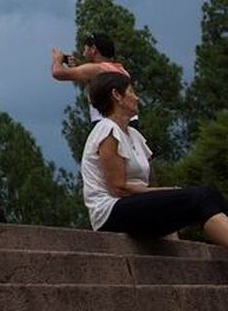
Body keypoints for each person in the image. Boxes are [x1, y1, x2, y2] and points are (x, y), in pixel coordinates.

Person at [81, 71, 228, 247]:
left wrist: (167, 195)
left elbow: (148, 186)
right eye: (132, 92)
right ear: (117, 95)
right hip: (111, 212)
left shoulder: (135, 136)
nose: (137, 98)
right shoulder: (107, 130)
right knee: (201, 196)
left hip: (136, 206)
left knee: (212, 195)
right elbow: (118, 188)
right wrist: (167, 192)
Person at [51, 33, 130, 122]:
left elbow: (57, 73)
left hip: (105, 122)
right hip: (127, 122)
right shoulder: (121, 70)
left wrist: (57, 60)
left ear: (93, 49)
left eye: (85, 49)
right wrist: (77, 67)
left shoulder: (96, 69)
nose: (83, 53)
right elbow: (99, 88)